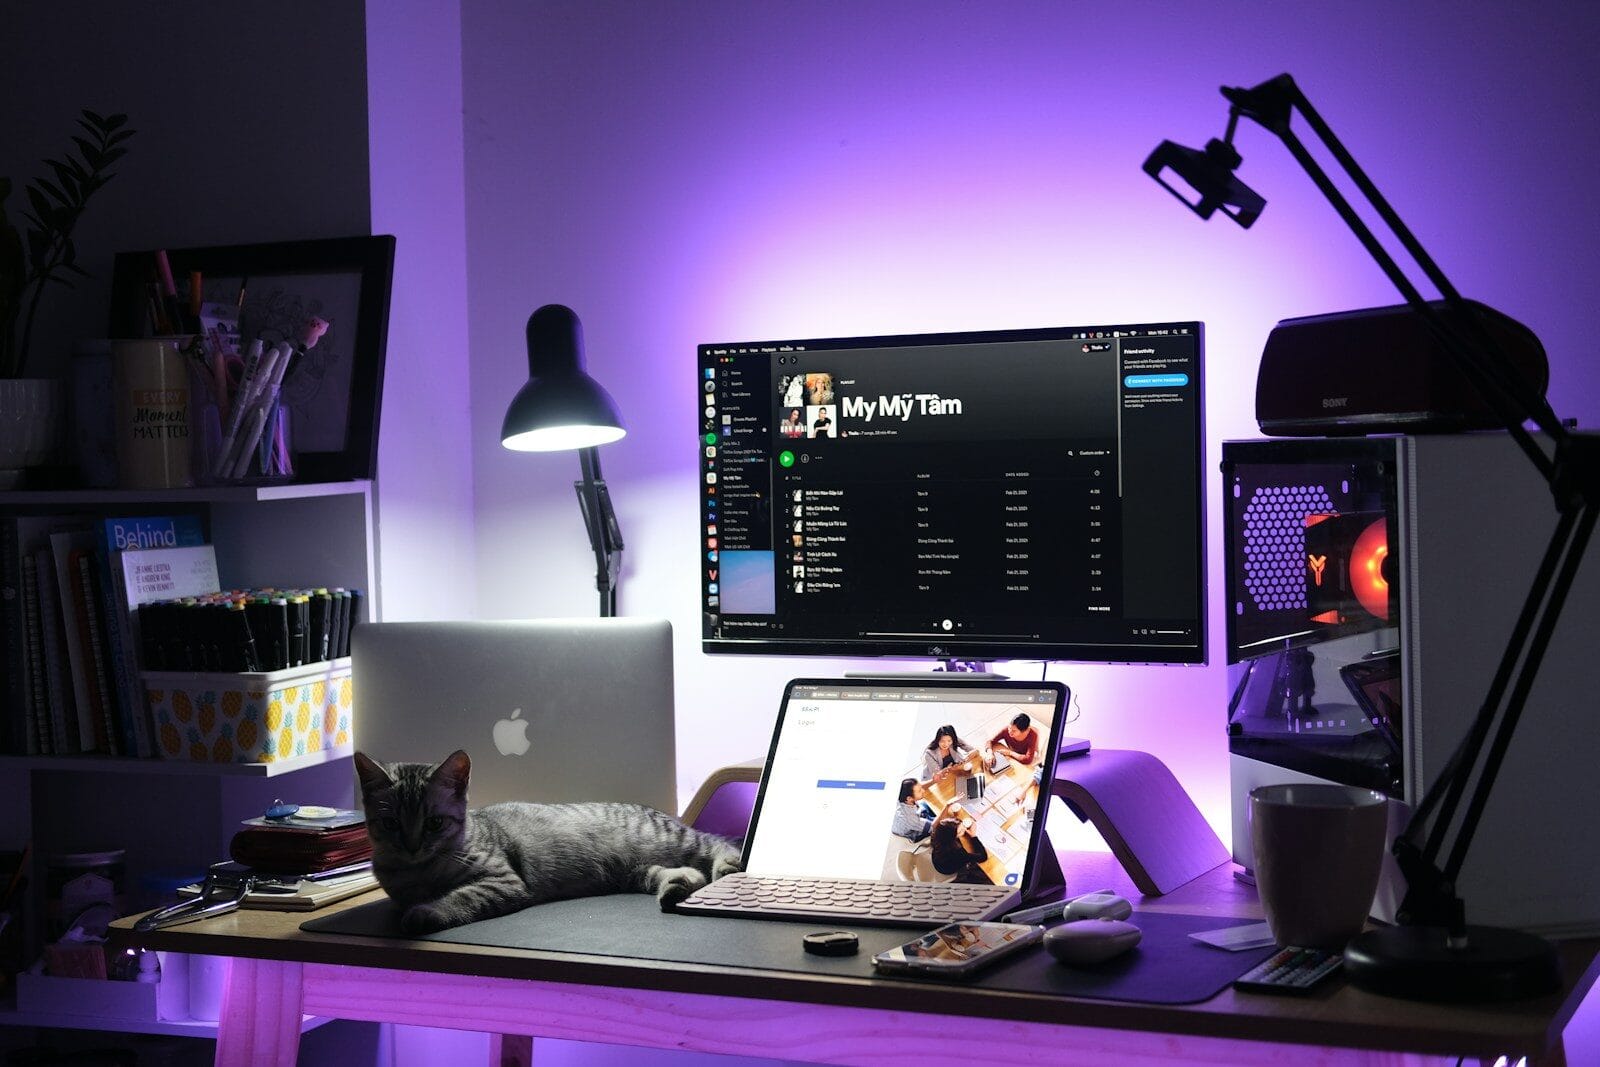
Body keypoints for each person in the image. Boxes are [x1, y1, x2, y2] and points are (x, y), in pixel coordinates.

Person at [929, 805, 992, 883]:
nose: (964, 829)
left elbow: (947, 824)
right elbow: (983, 857)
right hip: (946, 869)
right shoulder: (958, 853)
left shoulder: (938, 836)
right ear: (952, 837)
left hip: (938, 859)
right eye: (960, 831)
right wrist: (973, 836)